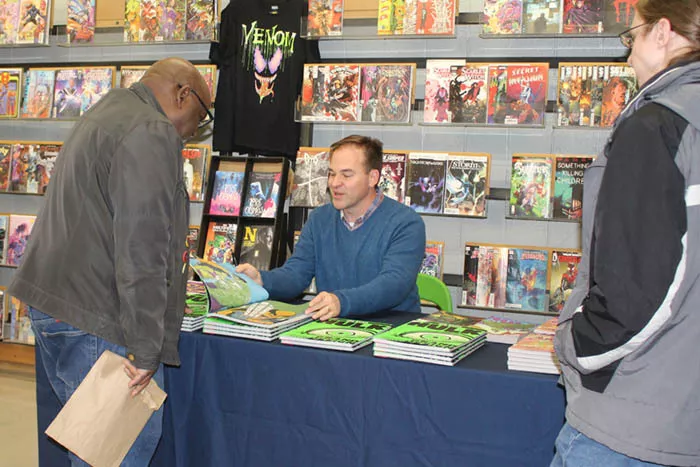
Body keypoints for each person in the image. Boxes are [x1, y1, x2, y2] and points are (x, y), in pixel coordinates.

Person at [8, 57, 212, 466]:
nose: (194, 132)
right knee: (117, 451)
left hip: (58, 304)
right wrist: (144, 347)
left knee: (92, 448)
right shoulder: (150, 130)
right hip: (98, 315)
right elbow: (143, 247)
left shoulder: (106, 111)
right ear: (182, 94)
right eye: (200, 118)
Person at [552, 1, 700, 465]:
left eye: (630, 37)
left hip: (632, 414)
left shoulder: (658, 125)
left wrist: (574, 345)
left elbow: (636, 290)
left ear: (662, 31)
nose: (628, 56)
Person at [237, 135, 426, 321]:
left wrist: (341, 302)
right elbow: (296, 274)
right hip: (334, 328)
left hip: (392, 331)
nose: (335, 183)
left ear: (372, 178)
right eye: (332, 173)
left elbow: (393, 285)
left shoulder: (406, 223)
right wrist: (262, 280)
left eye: (346, 175)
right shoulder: (319, 219)